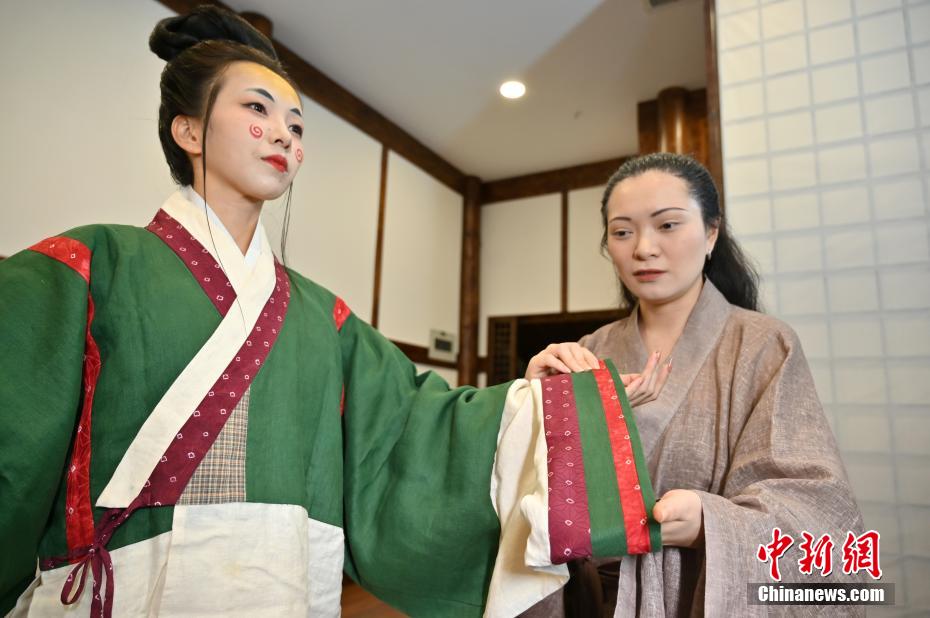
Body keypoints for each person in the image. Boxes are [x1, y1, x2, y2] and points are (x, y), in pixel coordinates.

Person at [0, 8, 665, 617]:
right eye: (259, 110)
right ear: (189, 129)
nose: (286, 138)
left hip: (286, 588)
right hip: (121, 594)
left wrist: (542, 403)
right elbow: (12, 452)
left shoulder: (324, 317)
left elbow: (415, 426)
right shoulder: (86, 269)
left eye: (297, 125)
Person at [524, 153, 864, 616]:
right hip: (586, 602)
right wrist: (533, 401)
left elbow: (816, 507)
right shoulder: (589, 349)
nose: (643, 248)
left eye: (667, 225)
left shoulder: (764, 344)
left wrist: (709, 522)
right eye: (622, 232)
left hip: (694, 596)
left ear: (711, 233)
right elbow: (536, 492)